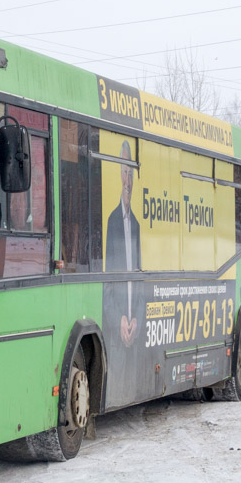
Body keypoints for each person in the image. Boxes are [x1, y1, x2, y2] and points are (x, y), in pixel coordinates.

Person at [104, 140, 141, 347]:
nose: (128, 181)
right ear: (119, 174)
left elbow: (140, 277)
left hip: (134, 332)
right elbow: (107, 280)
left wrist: (137, 319)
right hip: (116, 331)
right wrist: (118, 318)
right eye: (125, 173)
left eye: (131, 175)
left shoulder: (136, 225)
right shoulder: (111, 221)